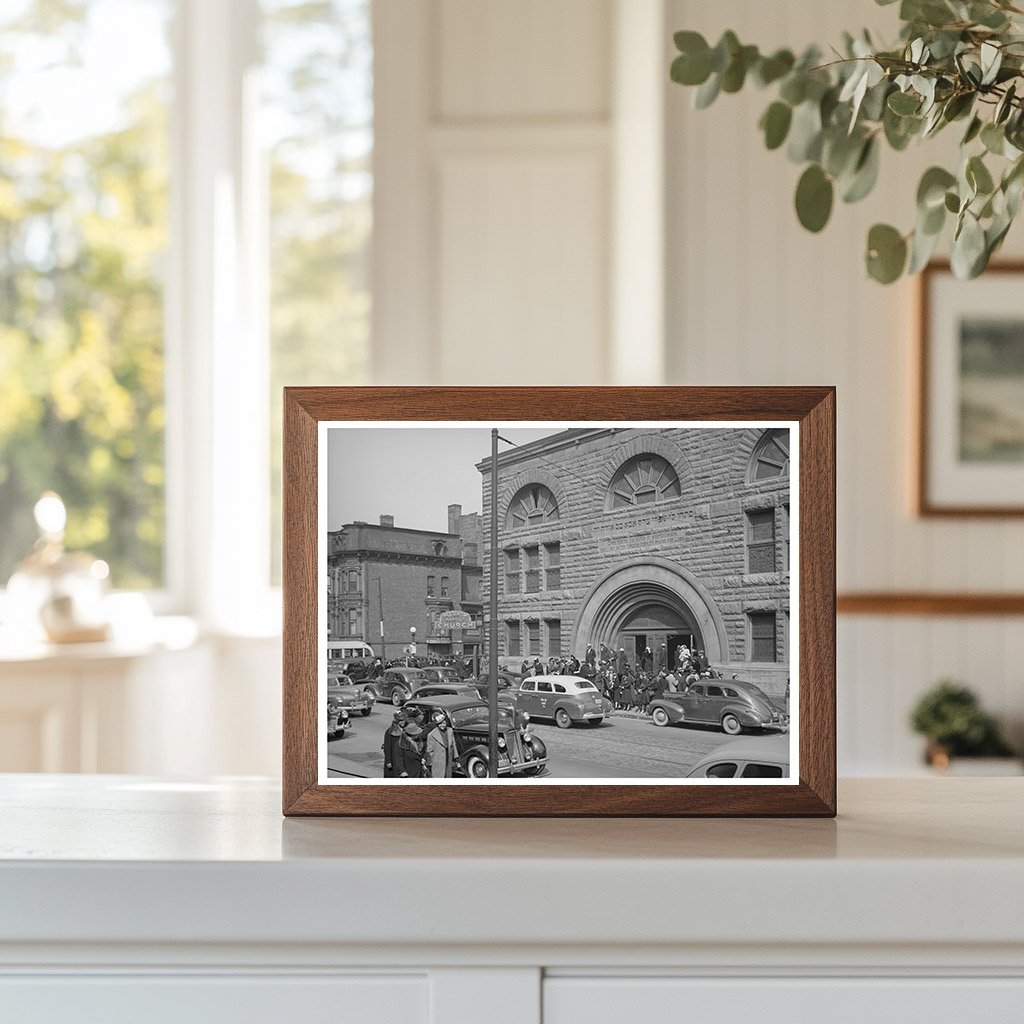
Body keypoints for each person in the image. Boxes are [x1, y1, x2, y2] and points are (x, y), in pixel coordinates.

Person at [425, 711, 456, 779]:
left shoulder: (450, 730)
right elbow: (429, 750)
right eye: (440, 724)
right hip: (437, 758)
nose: (442, 725)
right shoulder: (431, 735)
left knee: (448, 774)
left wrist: (456, 757)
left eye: (444, 723)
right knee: (439, 776)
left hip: (448, 756)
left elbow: (453, 744)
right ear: (437, 724)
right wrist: (429, 763)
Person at [382, 710, 405, 778]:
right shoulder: (390, 732)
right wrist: (389, 761)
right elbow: (387, 747)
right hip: (393, 758)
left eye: (404, 720)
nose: (403, 722)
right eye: (401, 721)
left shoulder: (404, 730)